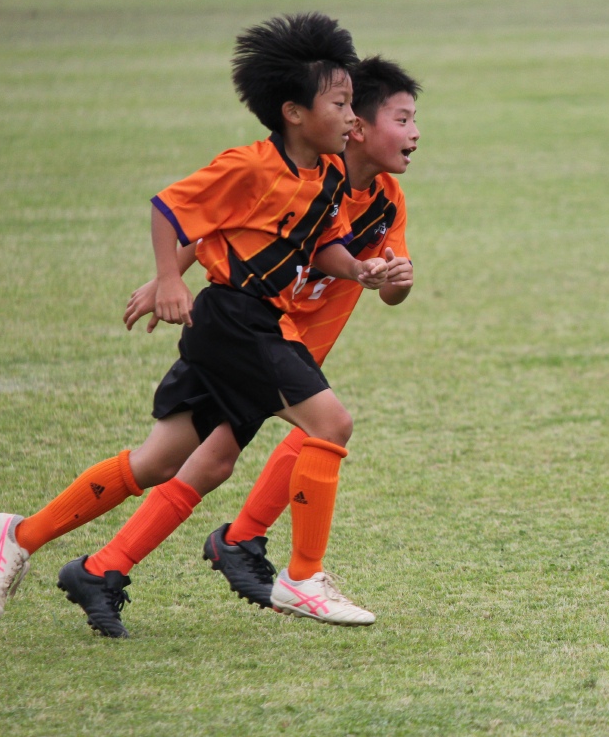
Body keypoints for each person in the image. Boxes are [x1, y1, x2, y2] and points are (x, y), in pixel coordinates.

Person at [0, 13, 387, 637]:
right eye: (340, 104)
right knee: (331, 424)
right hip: (236, 318)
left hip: (247, 321)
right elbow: (170, 208)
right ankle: (303, 578)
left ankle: (20, 534)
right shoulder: (249, 166)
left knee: (158, 462)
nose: (352, 117)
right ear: (294, 113)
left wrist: (359, 270)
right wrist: (168, 278)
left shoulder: (329, 173)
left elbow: (322, 243)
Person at [123, 55, 421, 615]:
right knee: (223, 452)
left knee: (262, 445)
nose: (415, 133)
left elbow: (385, 286)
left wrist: (392, 277)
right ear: (356, 125)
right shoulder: (310, 170)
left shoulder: (384, 199)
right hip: (255, 326)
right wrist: (167, 276)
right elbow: (225, 220)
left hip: (299, 337)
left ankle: (152, 557)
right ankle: (123, 560)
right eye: (402, 119)